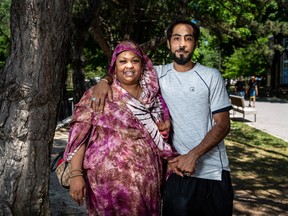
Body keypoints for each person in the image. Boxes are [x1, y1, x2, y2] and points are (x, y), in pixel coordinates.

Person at [91, 19, 234, 216]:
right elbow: (124, 70)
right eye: (176, 38)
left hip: (213, 173)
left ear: (195, 43)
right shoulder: (156, 74)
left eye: (188, 38)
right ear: (168, 43)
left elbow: (223, 124)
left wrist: (192, 156)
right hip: (177, 173)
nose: (182, 44)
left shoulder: (211, 76)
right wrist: (103, 81)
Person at [63, 41, 177, 216]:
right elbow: (79, 138)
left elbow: (161, 138)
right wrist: (76, 175)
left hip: (146, 184)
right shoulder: (98, 95)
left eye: (135, 61)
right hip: (106, 187)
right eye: (122, 61)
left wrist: (163, 130)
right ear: (114, 67)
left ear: (143, 65)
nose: (129, 65)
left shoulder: (155, 99)